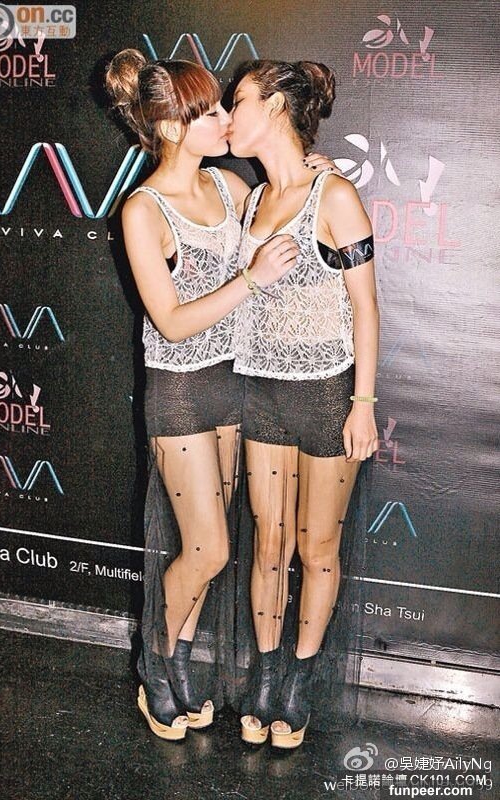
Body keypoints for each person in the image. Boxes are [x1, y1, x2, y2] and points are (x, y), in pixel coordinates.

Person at [104, 49, 321, 741]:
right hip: (179, 391)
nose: (225, 118)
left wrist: (315, 172)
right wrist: (248, 281)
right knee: (209, 550)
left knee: (204, 548)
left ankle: (176, 667)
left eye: (226, 106)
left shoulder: (229, 187)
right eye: (209, 112)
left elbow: (287, 195)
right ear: (173, 129)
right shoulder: (143, 210)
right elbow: (169, 321)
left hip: (235, 383)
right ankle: (153, 662)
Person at [228, 59, 379, 748]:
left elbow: (365, 307)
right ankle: (266, 673)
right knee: (268, 541)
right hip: (259, 390)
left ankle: (299, 679)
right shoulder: (253, 200)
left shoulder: (334, 196)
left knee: (317, 546)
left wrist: (362, 403)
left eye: (238, 101)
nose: (230, 115)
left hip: (324, 393)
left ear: (274, 108)